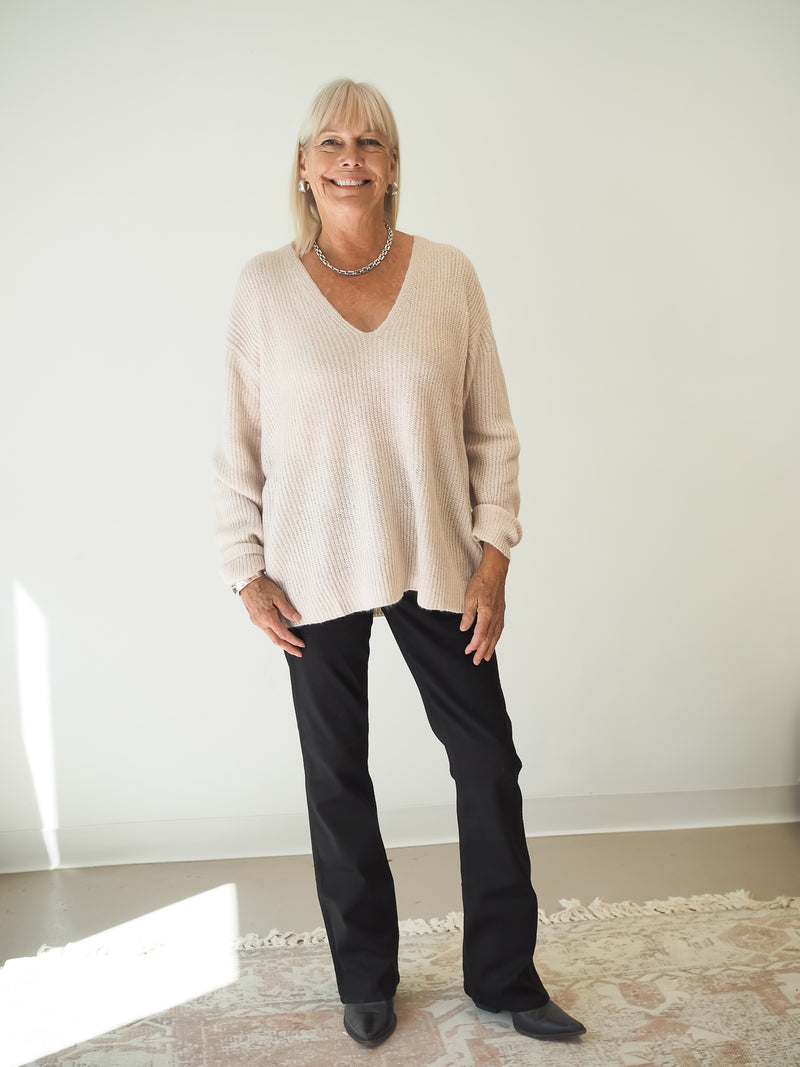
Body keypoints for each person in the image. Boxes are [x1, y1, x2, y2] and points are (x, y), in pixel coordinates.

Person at [213, 78, 586, 1050]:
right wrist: (244, 568)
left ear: (391, 165)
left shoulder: (449, 275)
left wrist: (493, 556)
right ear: (303, 165)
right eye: (331, 142)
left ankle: (503, 977)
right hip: (309, 569)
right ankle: (366, 979)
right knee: (336, 775)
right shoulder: (263, 287)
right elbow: (236, 441)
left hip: (437, 556)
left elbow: (491, 430)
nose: (350, 158)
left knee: (486, 760)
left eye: (369, 142)